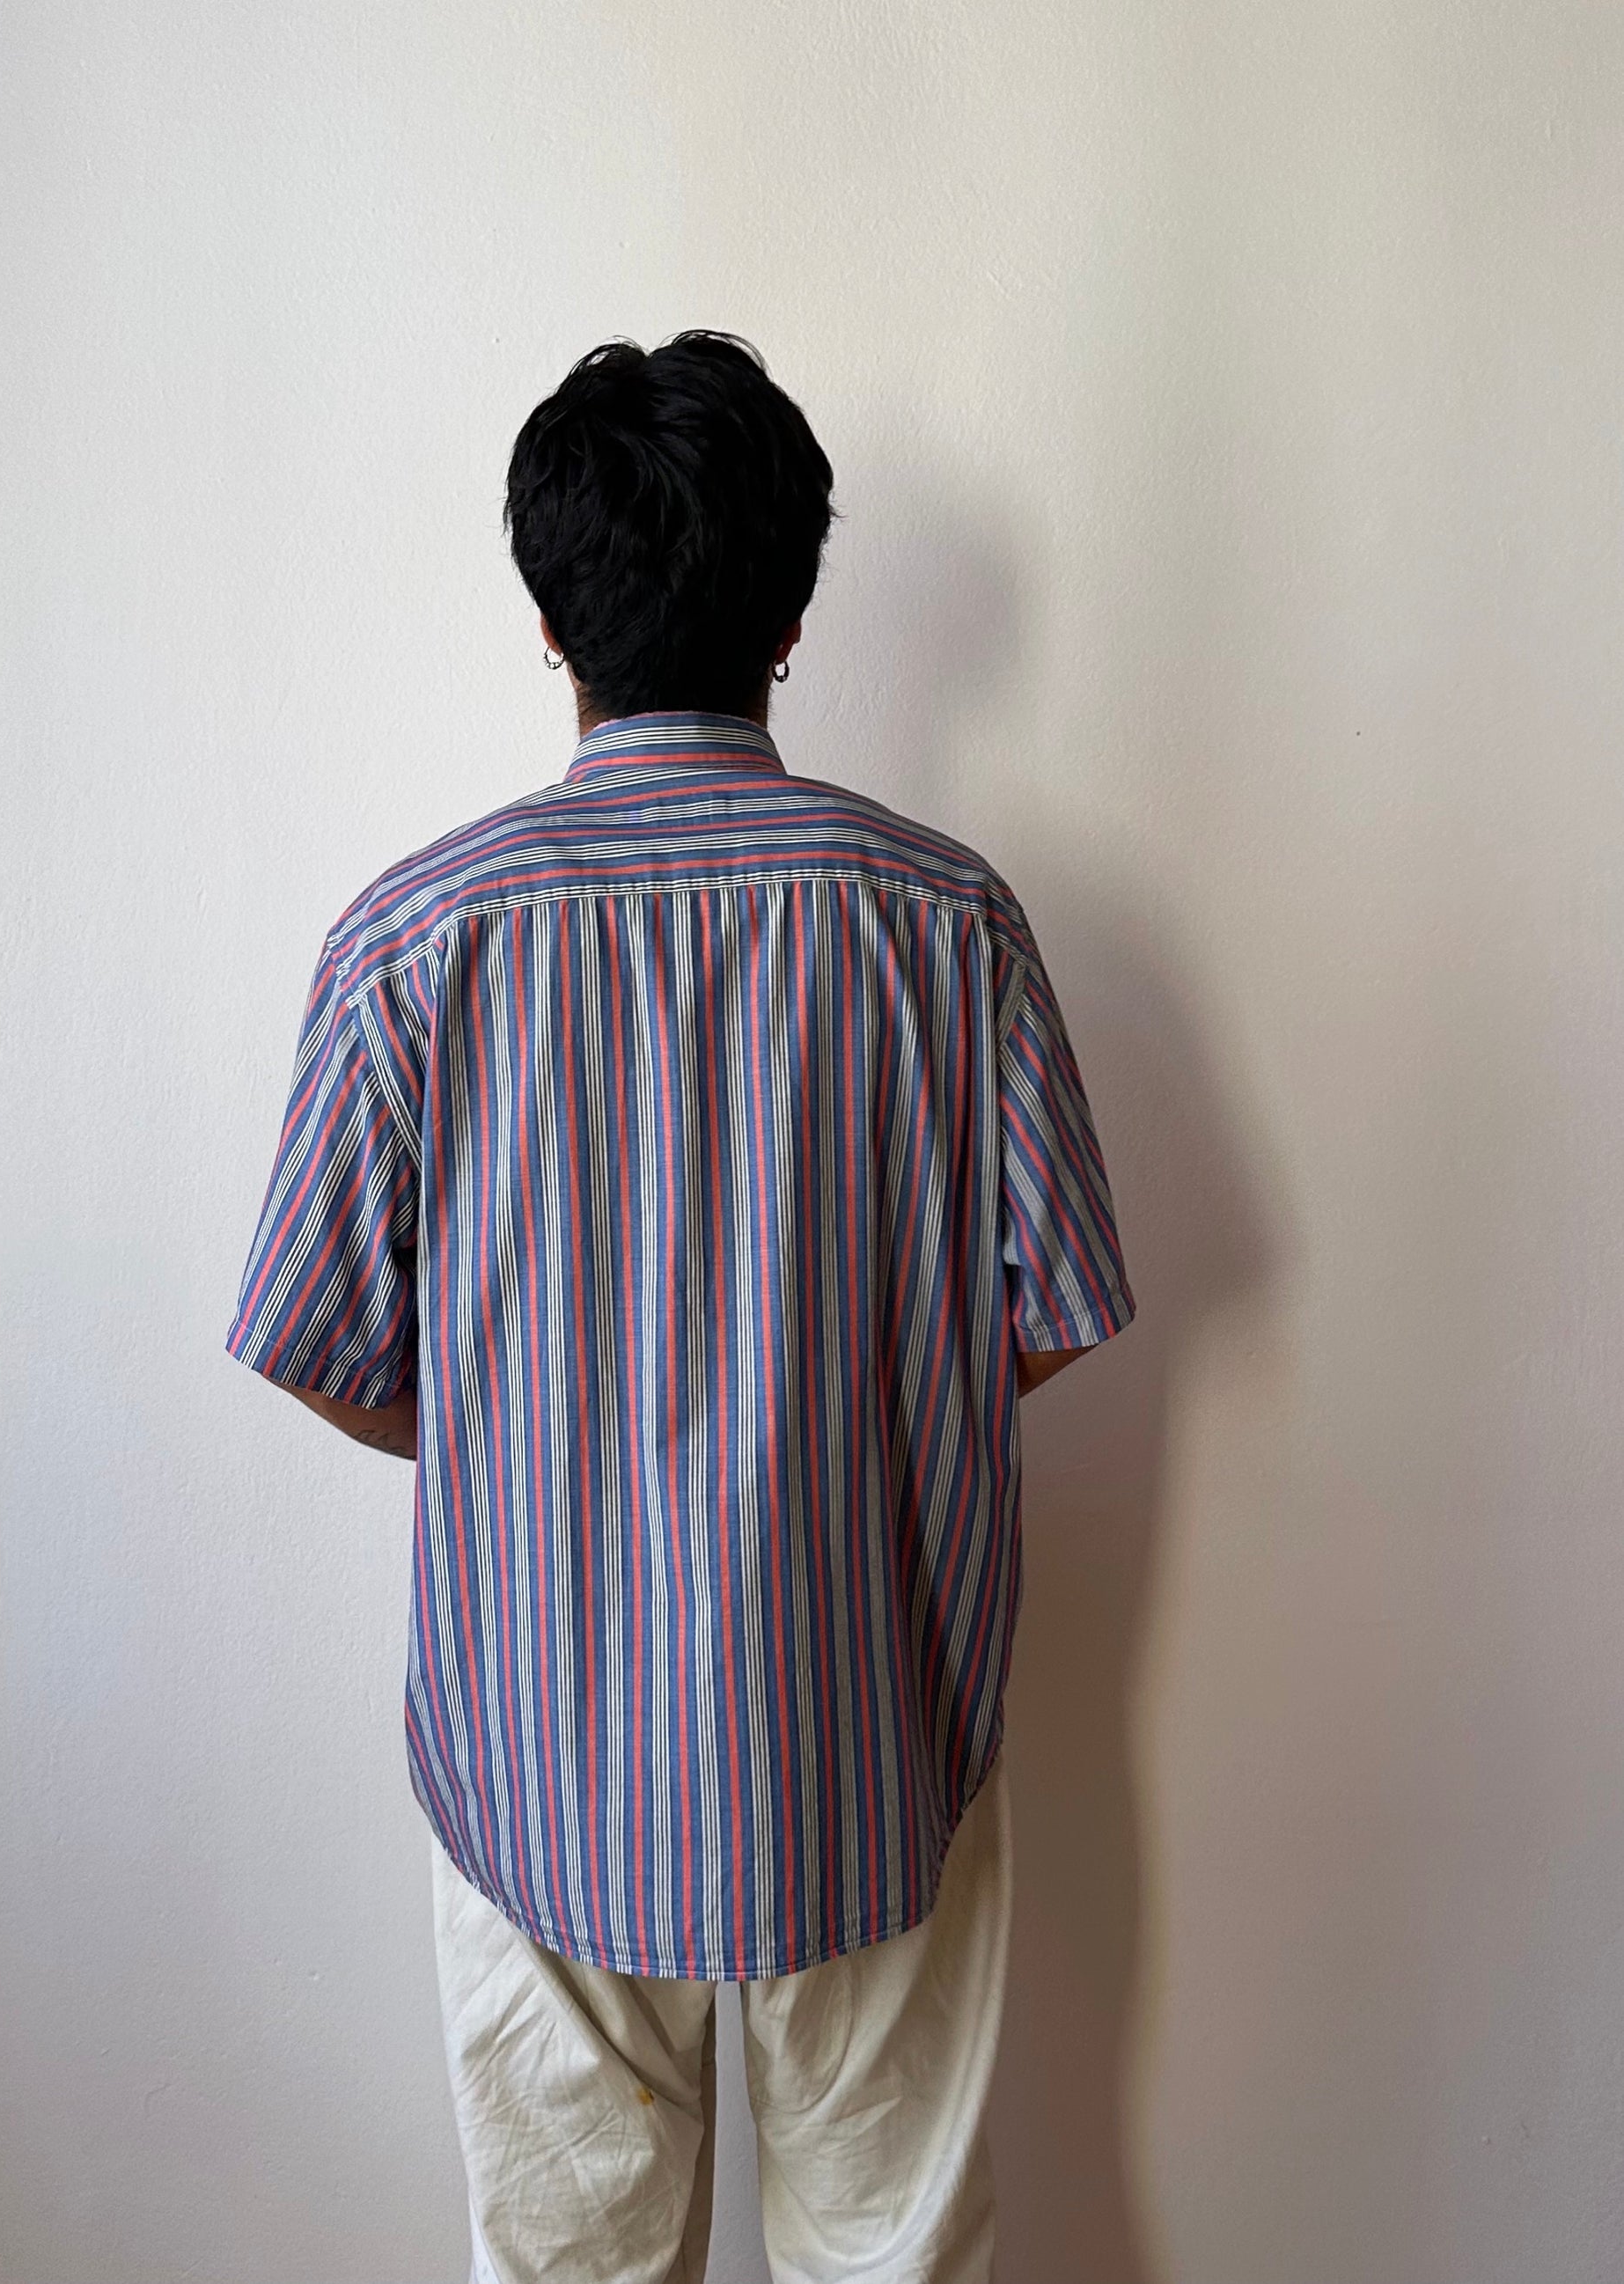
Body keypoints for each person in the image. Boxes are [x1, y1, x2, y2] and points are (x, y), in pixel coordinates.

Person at [224, 328, 1135, 2284]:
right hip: (871, 1730)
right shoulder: (945, 922)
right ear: (790, 618)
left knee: (568, 2266)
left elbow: (319, 1346)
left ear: (551, 622)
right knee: (894, 2258)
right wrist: (864, 1409)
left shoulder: (414, 943)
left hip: (536, 1754)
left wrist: (515, 1426)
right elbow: (1053, 1304)